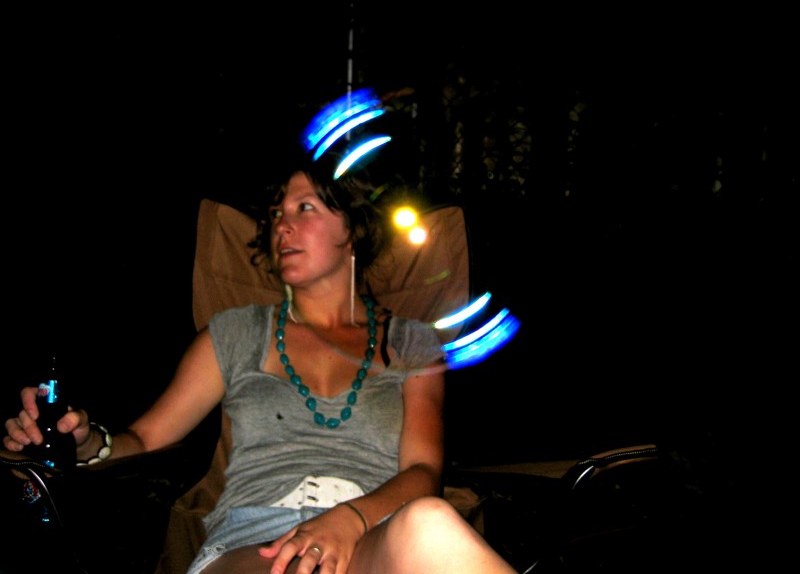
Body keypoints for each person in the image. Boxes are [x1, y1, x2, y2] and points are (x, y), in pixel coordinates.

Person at [4, 154, 517, 573]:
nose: (282, 226)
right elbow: (145, 438)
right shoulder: (234, 335)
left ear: (354, 229)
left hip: (370, 537)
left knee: (429, 523)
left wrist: (351, 519)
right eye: (276, 214)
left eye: (304, 208)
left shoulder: (411, 343)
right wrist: (87, 442)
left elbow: (423, 471)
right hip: (254, 543)